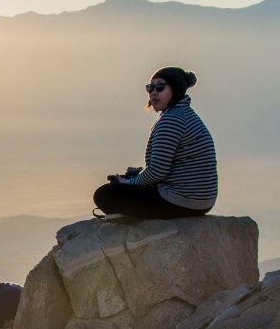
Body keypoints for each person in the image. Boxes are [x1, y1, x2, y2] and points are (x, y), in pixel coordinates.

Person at [93, 66, 218, 219]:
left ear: (176, 89)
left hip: (180, 201)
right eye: (150, 88)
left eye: (160, 87)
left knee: (104, 195)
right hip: (200, 201)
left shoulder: (172, 120)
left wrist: (129, 183)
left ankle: (131, 214)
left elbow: (157, 171)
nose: (153, 92)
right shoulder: (184, 114)